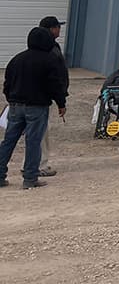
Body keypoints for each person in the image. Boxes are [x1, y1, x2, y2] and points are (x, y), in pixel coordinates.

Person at [0, 27, 67, 189]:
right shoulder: (49, 60)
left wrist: (11, 99)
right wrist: (61, 103)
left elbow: (7, 84)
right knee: (33, 142)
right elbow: (55, 85)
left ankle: (0, 175)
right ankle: (30, 177)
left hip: (15, 106)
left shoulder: (16, 59)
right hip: (37, 106)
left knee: (9, 141)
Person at [37, 16, 67, 178]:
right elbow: (54, 77)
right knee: (41, 132)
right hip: (41, 99)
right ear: (50, 29)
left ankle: (32, 163)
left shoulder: (49, 47)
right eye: (57, 27)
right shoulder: (48, 50)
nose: (59, 30)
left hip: (41, 98)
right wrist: (60, 99)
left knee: (37, 132)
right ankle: (40, 164)